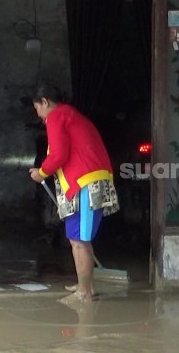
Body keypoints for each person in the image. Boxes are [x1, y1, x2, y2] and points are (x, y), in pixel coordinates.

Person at [28, 84, 119, 305]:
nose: (38, 115)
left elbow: (59, 154)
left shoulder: (57, 117)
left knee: (80, 240)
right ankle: (85, 285)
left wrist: (41, 173)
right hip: (83, 183)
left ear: (45, 102)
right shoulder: (70, 116)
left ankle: (85, 293)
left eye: (37, 109)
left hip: (86, 184)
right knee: (77, 238)